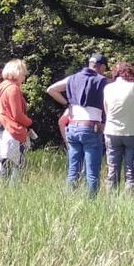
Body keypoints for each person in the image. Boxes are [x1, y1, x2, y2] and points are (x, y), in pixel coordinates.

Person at [47, 52, 109, 195]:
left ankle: (68, 199)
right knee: (92, 172)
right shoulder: (102, 81)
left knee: (73, 170)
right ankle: (91, 204)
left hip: (73, 127)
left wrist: (67, 104)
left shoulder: (72, 78)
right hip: (91, 128)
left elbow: (51, 89)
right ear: (101, 67)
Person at [0, 58, 34, 180]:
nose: (24, 78)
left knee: (3, 164)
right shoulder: (13, 88)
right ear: (17, 73)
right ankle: (14, 192)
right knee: (17, 166)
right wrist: (29, 122)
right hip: (13, 132)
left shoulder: (0, 87)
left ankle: (4, 191)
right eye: (23, 75)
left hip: (1, 130)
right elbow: (17, 115)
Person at [103, 61, 134, 189]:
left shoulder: (108, 88)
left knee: (113, 169)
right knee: (130, 169)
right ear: (129, 73)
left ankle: (111, 201)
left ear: (115, 74)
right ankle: (129, 200)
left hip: (111, 131)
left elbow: (106, 110)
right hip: (131, 132)